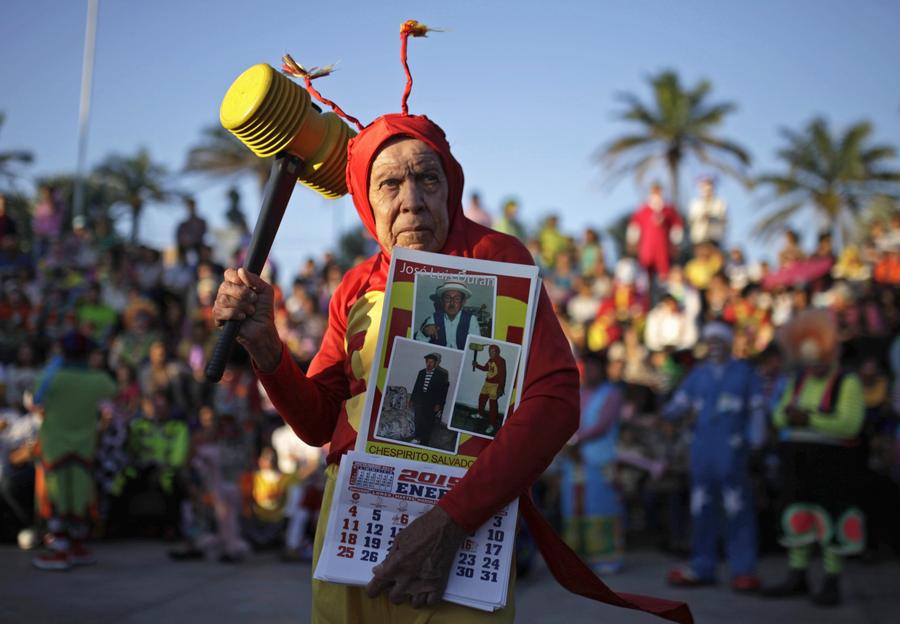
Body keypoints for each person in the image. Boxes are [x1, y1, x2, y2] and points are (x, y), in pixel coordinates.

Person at [212, 22, 687, 624]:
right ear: (367, 202)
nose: (411, 198)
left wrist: (449, 522)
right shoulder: (355, 285)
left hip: (461, 530)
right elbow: (316, 424)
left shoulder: (496, 259)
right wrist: (267, 351)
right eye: (390, 183)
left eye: (427, 178)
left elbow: (555, 399)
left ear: (449, 189)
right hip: (351, 532)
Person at [761, 310, 865, 606]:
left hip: (832, 463)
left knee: (830, 519)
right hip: (797, 460)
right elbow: (779, 415)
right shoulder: (797, 383)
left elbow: (850, 424)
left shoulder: (848, 383)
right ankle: (798, 574)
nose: (814, 365)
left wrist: (809, 420)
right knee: (798, 516)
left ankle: (832, 580)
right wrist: (791, 418)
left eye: (819, 359)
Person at [664, 322, 765, 592]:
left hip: (733, 452)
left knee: (738, 510)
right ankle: (701, 565)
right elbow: (677, 405)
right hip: (703, 453)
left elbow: (756, 410)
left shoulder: (745, 372)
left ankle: (743, 569)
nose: (714, 345)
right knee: (701, 510)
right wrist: (663, 412)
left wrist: (757, 441)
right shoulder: (697, 375)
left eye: (719, 339)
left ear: (730, 342)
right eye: (709, 340)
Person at [31, 332, 117, 571]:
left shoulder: (51, 378)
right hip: (83, 447)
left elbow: (35, 398)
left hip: (55, 446)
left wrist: (53, 367)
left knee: (56, 499)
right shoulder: (97, 380)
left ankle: (60, 551)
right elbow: (113, 389)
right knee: (79, 497)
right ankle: (77, 546)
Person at [560, 351, 625, 574]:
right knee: (574, 509)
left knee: (599, 508)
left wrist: (574, 440)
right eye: (586, 366)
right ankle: (577, 560)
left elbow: (602, 425)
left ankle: (605, 558)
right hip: (575, 462)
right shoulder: (577, 393)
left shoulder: (612, 394)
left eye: (594, 367)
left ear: (603, 369)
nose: (589, 371)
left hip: (599, 462)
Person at [627, 182, 684, 280]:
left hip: (664, 251)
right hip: (646, 251)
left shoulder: (669, 210)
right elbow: (634, 227)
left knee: (664, 276)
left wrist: (675, 244)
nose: (657, 194)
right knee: (645, 276)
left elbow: (677, 227)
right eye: (654, 191)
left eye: (659, 191)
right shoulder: (642, 211)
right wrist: (632, 242)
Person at [414, 280, 481, 348]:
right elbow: (419, 343)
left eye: (457, 299)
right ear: (442, 301)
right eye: (447, 298)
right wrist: (425, 333)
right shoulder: (434, 318)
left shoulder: (471, 320)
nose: (452, 303)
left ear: (463, 302)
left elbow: (476, 347)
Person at [408, 353, 450, 445]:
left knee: (428, 422)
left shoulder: (442, 374)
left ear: (436, 363)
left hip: (432, 402)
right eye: (427, 362)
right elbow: (416, 386)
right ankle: (417, 437)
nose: (429, 364)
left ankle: (424, 441)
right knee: (418, 419)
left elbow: (442, 392)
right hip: (420, 400)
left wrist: (439, 404)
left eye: (431, 362)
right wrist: (412, 399)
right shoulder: (421, 372)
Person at [472, 344, 507, 435]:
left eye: (492, 352)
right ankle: (480, 414)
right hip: (487, 383)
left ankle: (492, 424)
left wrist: (500, 388)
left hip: (495, 386)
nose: (490, 353)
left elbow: (503, 376)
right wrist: (477, 365)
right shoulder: (490, 360)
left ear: (497, 351)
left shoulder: (501, 361)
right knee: (481, 399)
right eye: (489, 352)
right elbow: (485, 368)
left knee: (493, 406)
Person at [687, 176, 727, 247]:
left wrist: (712, 217)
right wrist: (701, 217)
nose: (708, 191)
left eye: (709, 189)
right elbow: (690, 219)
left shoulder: (720, 203)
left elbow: (724, 220)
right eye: (705, 188)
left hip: (715, 238)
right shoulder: (695, 204)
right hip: (699, 238)